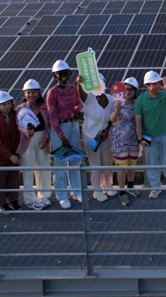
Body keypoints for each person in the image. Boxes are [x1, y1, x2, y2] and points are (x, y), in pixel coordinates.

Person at [135, 71, 166, 199]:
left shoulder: (163, 94)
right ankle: (155, 188)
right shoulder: (141, 100)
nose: (156, 86)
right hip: (149, 136)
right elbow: (138, 121)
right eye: (152, 84)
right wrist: (140, 139)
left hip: (164, 133)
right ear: (147, 86)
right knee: (151, 163)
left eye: (157, 83)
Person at [45, 60, 83, 209]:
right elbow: (51, 115)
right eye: (60, 74)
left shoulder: (73, 88)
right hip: (59, 128)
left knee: (74, 160)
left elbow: (78, 103)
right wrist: (61, 136)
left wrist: (76, 110)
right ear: (55, 75)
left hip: (73, 126)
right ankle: (62, 195)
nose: (64, 76)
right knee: (60, 163)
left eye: (66, 73)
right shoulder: (52, 93)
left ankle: (76, 191)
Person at [17, 79, 52, 210]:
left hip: (42, 138)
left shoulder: (44, 107)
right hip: (27, 140)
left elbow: (48, 124)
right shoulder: (19, 109)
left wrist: (47, 137)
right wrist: (26, 132)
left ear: (38, 93)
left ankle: (44, 195)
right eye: (28, 93)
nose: (31, 95)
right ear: (25, 94)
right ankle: (30, 199)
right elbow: (18, 126)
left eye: (33, 92)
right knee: (28, 169)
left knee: (44, 167)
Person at [0, 91, 24, 212]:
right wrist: (9, 156)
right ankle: (2, 203)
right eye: (3, 104)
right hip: (0, 157)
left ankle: (14, 200)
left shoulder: (15, 117)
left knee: (14, 178)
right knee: (1, 181)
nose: (7, 106)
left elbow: (19, 135)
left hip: (14, 154)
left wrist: (16, 153)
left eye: (8, 103)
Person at [81, 73, 114, 202]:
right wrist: (79, 83)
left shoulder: (110, 99)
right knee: (95, 163)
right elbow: (81, 94)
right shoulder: (88, 98)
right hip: (90, 135)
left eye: (101, 83)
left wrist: (107, 130)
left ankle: (109, 186)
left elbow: (112, 116)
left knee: (107, 161)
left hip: (105, 135)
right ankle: (97, 190)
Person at [111, 77, 141, 205]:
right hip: (120, 140)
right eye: (125, 89)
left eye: (130, 89)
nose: (127, 92)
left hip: (133, 139)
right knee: (122, 166)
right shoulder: (117, 103)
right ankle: (122, 191)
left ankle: (130, 186)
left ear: (135, 91)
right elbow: (112, 120)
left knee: (132, 164)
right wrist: (117, 109)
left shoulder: (137, 104)